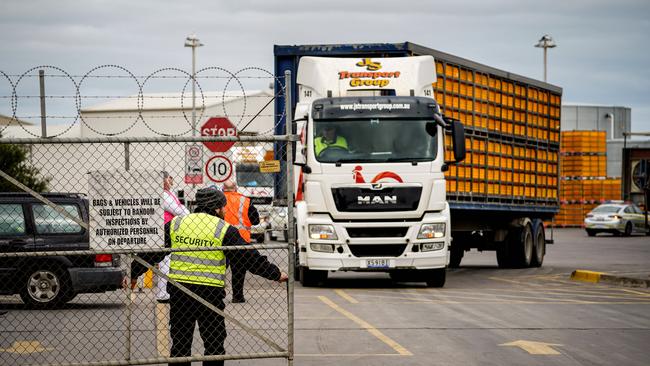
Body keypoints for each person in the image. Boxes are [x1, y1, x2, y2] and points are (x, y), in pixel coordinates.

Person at [166, 188, 288, 366]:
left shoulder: (177, 223)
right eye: (223, 207)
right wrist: (275, 274)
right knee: (214, 346)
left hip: (181, 294)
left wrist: (134, 273)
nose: (225, 210)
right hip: (209, 295)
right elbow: (249, 258)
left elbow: (152, 252)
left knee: (180, 346)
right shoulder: (223, 229)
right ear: (216, 208)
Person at [128, 172, 189, 299]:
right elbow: (178, 210)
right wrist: (189, 215)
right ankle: (163, 294)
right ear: (163, 181)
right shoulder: (163, 195)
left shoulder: (165, 194)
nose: (171, 180)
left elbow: (178, 208)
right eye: (168, 178)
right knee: (165, 262)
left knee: (165, 262)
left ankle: (164, 293)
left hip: (166, 230)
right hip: (165, 231)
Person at [222, 180, 260, 303]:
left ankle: (217, 293)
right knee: (238, 269)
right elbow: (255, 221)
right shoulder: (246, 201)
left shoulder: (219, 200)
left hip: (220, 238)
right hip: (240, 240)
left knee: (219, 268)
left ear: (223, 189)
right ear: (236, 189)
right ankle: (237, 296)